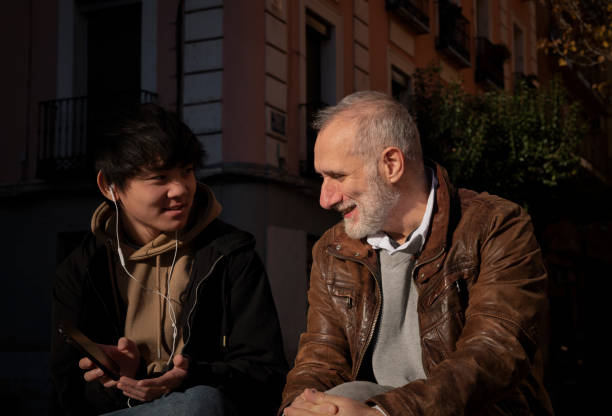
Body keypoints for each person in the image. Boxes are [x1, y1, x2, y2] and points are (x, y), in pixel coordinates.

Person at [280, 91, 553, 415]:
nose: (325, 199)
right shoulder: (333, 249)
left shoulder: (497, 226)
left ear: (392, 164)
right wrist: (298, 408)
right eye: (322, 177)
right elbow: (320, 359)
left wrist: (383, 413)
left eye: (337, 176)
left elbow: (494, 352)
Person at [51, 104, 287, 415]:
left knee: (203, 402)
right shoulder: (82, 266)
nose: (180, 190)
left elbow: (265, 372)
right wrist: (119, 378)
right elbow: (65, 392)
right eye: (159, 177)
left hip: (206, 409)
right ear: (110, 186)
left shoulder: (230, 254)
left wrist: (189, 376)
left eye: (187, 172)